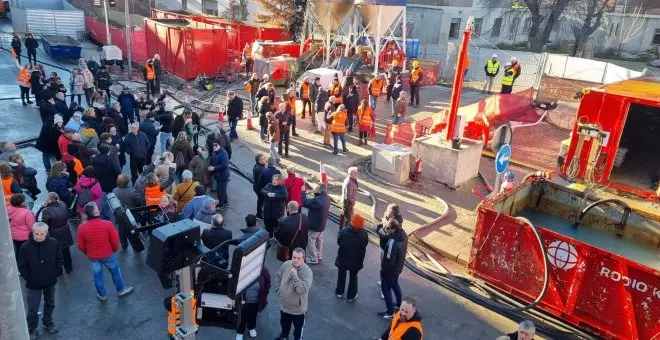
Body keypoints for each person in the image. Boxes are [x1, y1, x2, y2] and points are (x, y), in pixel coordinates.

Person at [77, 202, 134, 301]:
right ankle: (121, 290)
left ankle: (102, 295)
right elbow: (115, 241)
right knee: (115, 272)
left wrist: (88, 252)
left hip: (93, 256)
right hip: (108, 254)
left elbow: (81, 246)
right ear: (96, 212)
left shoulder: (81, 228)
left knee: (97, 276)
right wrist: (114, 250)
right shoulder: (107, 224)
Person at [18, 222, 63, 339]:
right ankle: (31, 329)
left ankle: (48, 322)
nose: (39, 236)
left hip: (50, 281)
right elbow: (22, 266)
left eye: (42, 234)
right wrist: (30, 278)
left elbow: (59, 259)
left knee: (50, 303)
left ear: (46, 233)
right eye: (36, 234)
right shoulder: (25, 247)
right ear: (32, 232)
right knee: (33, 309)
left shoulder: (53, 243)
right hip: (33, 285)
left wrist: (55, 273)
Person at [274, 248, 313, 340]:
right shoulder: (286, 264)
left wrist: (295, 276)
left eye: (298, 258)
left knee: (298, 330)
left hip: (298, 310)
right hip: (284, 306)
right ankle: (284, 337)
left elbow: (302, 289)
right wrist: (278, 290)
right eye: (294, 257)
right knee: (284, 325)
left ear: (304, 258)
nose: (295, 260)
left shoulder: (307, 272)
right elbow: (278, 276)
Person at [378, 218, 408, 319]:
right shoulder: (403, 234)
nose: (386, 230)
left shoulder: (392, 242)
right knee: (395, 284)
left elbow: (388, 259)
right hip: (398, 267)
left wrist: (383, 271)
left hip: (389, 270)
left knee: (386, 288)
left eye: (387, 228)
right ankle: (399, 304)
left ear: (393, 229)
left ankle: (390, 312)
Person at [335, 214, 369, 301]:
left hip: (343, 258)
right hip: (356, 261)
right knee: (353, 277)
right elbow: (365, 244)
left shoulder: (344, 231)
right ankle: (351, 295)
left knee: (341, 275)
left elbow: (339, 242)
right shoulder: (364, 234)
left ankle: (339, 291)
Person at [235, 264, 271, 340]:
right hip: (243, 300)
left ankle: (251, 327)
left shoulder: (263, 269)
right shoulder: (241, 269)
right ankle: (240, 332)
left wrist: (265, 292)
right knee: (241, 316)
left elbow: (268, 281)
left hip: (255, 300)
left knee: (253, 315)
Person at [41, 192, 73, 273]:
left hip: (54, 233)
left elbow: (44, 224)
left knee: (55, 253)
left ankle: (59, 271)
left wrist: (45, 207)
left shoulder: (46, 211)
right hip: (65, 231)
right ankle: (68, 268)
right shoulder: (63, 204)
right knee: (66, 251)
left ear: (50, 200)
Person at [301, 183, 331, 264]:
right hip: (321, 224)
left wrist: (303, 192)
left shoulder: (317, 200)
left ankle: (313, 258)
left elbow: (305, 202)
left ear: (319, 190)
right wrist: (314, 191)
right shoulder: (327, 198)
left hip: (314, 225)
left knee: (310, 240)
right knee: (319, 240)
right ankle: (319, 255)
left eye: (316, 189)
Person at [8, 194, 35, 259]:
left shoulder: (7, 209)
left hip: (13, 235)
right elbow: (31, 226)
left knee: (18, 250)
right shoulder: (27, 212)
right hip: (25, 237)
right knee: (27, 253)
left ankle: (18, 263)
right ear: (22, 203)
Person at [209, 140, 230, 209]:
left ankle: (221, 204)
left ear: (220, 145)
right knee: (223, 189)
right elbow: (213, 161)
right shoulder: (214, 152)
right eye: (213, 145)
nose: (214, 146)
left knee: (220, 190)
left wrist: (214, 168)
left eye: (216, 145)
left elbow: (224, 165)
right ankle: (225, 202)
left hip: (222, 175)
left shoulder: (223, 153)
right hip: (218, 175)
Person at [252, 154, 266, 219]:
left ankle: (260, 212)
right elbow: (261, 181)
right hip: (259, 188)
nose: (265, 160)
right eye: (263, 159)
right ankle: (259, 214)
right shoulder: (261, 169)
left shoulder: (257, 166)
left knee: (261, 200)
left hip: (256, 187)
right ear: (260, 161)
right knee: (261, 201)